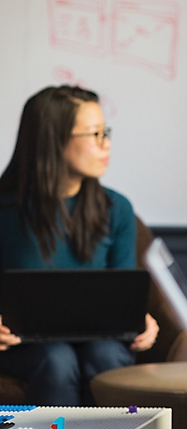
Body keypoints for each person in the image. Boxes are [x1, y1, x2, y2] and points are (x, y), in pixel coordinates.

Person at [0, 86, 159, 405]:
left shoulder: (117, 209)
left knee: (104, 356)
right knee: (56, 360)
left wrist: (140, 322)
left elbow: (122, 292)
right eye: (95, 134)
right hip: (23, 348)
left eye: (106, 132)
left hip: (102, 344)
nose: (106, 143)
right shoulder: (5, 210)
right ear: (54, 140)